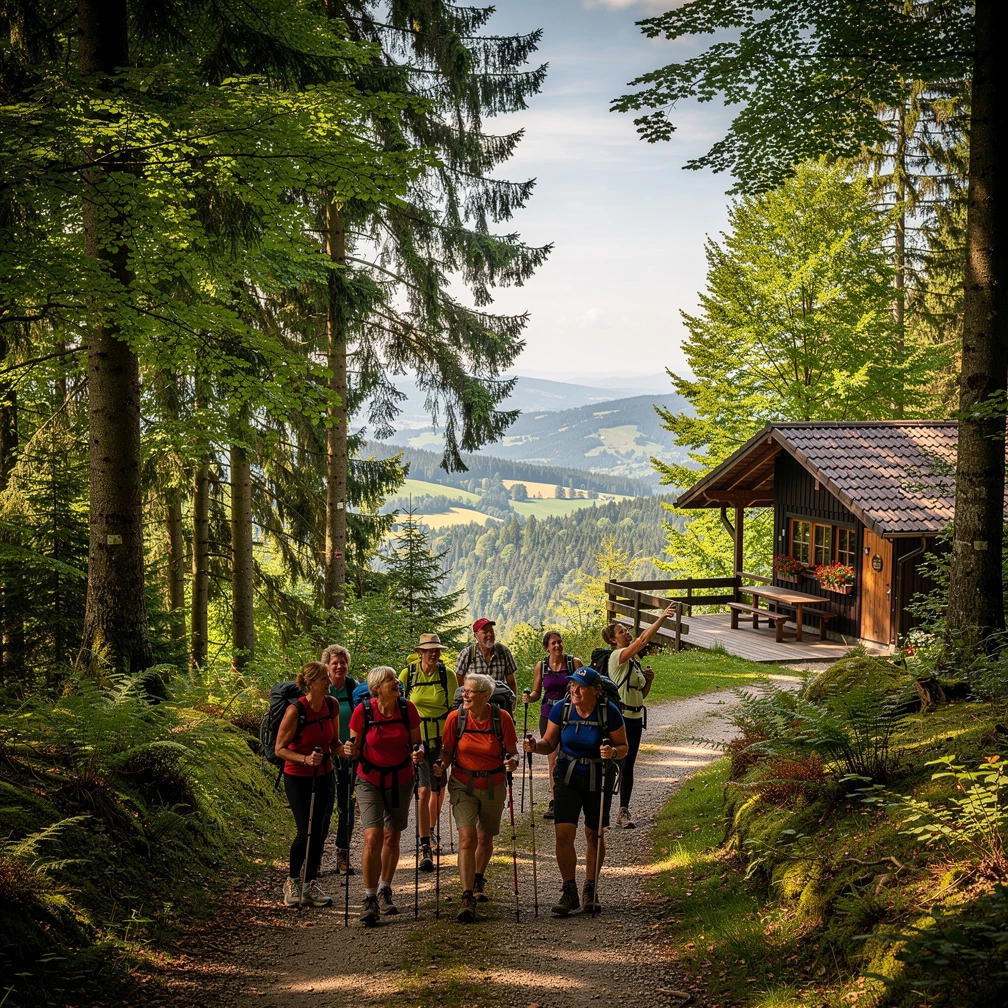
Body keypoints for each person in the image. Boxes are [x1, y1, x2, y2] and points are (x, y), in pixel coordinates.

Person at [523, 666, 627, 916]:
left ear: (596, 690)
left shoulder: (608, 712)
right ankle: (569, 890)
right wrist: (533, 746)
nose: (574, 690)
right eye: (572, 685)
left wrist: (612, 753)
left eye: (580, 686)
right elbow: (549, 744)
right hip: (567, 776)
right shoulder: (562, 708)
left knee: (594, 835)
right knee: (563, 836)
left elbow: (623, 746)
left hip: (597, 777)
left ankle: (591, 888)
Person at [435, 673, 519, 923]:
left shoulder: (501, 718)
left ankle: (478, 877)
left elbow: (513, 752)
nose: (464, 695)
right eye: (464, 691)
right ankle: (467, 894)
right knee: (467, 837)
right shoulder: (455, 717)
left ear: (485, 695)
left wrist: (512, 762)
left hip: (493, 783)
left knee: (485, 835)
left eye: (470, 691)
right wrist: (441, 765)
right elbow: (447, 750)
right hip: (463, 784)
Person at [344, 666, 423, 926]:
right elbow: (354, 752)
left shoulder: (406, 708)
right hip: (369, 779)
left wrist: (418, 754)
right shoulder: (363, 711)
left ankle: (385, 888)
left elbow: (415, 743)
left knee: (392, 836)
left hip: (401, 777)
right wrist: (348, 749)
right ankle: (369, 899)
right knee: (372, 836)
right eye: (390, 679)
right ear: (377, 688)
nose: (396, 682)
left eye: (395, 678)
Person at [274, 660, 341, 908]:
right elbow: (279, 749)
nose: (329, 682)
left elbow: (333, 741)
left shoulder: (331, 705)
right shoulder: (296, 710)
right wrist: (304, 759)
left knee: (320, 833)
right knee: (306, 831)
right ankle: (292, 881)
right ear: (311, 683)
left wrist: (343, 749)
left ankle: (310, 884)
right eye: (324, 679)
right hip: (297, 776)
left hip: (325, 773)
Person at [603, 604, 674, 829]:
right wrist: (661, 617)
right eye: (621, 632)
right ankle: (602, 811)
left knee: (629, 765)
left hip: (634, 718)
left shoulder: (634, 662)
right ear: (613, 640)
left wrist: (649, 680)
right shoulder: (617, 657)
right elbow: (643, 639)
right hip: (620, 718)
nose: (626, 632)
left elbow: (641, 694)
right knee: (616, 764)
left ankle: (623, 811)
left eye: (625, 630)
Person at [399, 633, 452, 872]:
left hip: (442, 739)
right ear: (420, 652)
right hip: (417, 740)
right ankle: (424, 844)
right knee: (422, 788)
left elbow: (454, 711)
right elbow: (399, 707)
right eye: (429, 650)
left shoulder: (446, 675)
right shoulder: (408, 674)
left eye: (437, 650)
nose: (433, 653)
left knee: (438, 787)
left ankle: (430, 828)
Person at [523, 630, 583, 820]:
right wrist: (528, 698)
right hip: (548, 716)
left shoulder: (574, 663)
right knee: (553, 759)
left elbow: (585, 688)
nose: (558, 646)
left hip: (572, 715)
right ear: (546, 647)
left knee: (574, 755)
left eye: (560, 642)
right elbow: (536, 692)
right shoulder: (541, 666)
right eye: (553, 643)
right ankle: (556, 800)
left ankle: (574, 794)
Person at [323, 644, 358, 874]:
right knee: (324, 805)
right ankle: (315, 854)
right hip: (324, 755)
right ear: (327, 666)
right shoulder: (321, 688)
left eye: (342, 662)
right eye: (334, 663)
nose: (339, 666)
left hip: (348, 755)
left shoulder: (353, 687)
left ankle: (342, 854)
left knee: (347, 805)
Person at [454, 617, 518, 713]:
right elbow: (459, 679)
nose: (490, 634)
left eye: (491, 631)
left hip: (499, 704)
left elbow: (511, 681)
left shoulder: (503, 652)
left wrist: (512, 704)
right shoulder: (467, 653)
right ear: (476, 635)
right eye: (485, 632)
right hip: (474, 705)